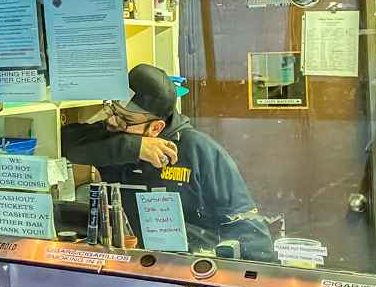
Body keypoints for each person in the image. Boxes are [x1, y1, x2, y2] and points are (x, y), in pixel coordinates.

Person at [62, 64, 266, 257]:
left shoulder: (199, 151)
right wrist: (135, 148)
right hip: (127, 262)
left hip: (189, 264)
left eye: (126, 119)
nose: (113, 122)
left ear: (156, 128)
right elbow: (65, 143)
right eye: (113, 111)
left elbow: (248, 228)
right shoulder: (114, 135)